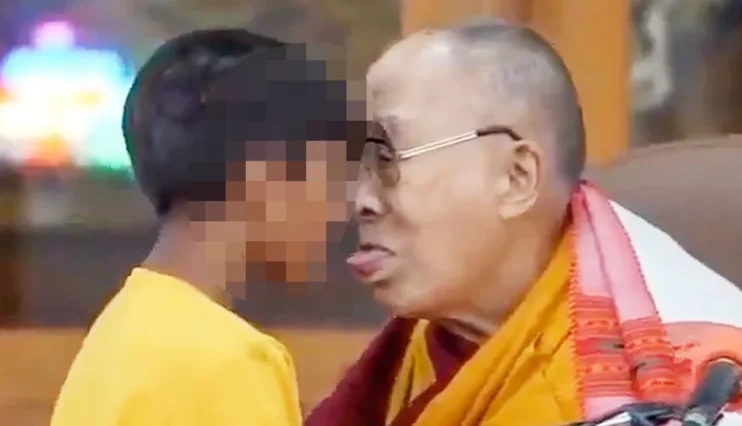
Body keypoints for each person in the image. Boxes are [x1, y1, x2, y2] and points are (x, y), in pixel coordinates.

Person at [307, 19, 742, 426]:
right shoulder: (439, 332)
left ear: (516, 177)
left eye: (387, 156)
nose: (362, 200)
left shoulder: (682, 387)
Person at [51, 28, 357, 426]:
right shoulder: (224, 362)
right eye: (332, 176)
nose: (345, 209)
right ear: (264, 173)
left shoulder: (123, 330)